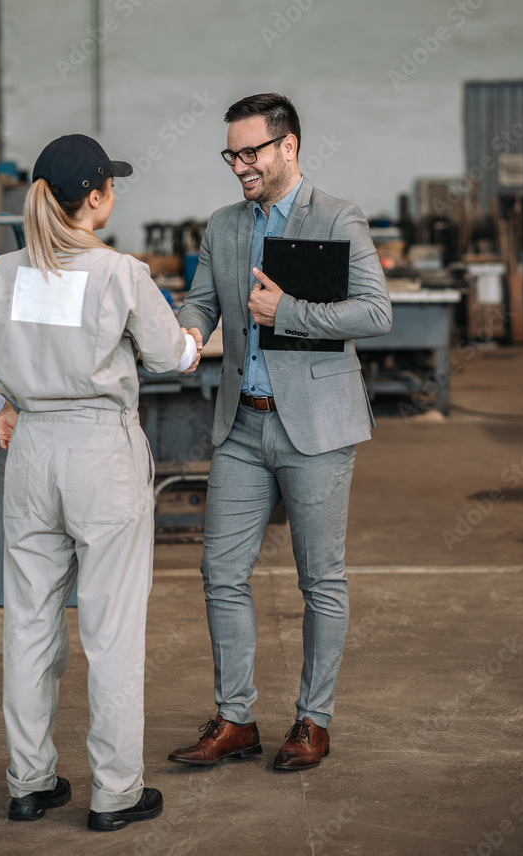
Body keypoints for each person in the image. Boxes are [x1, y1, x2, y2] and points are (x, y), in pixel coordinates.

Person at [0, 134, 201, 831]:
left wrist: (0, 409)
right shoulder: (120, 273)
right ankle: (115, 793)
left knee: (27, 625)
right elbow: (172, 357)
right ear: (95, 196)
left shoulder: (3, 273)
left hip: (30, 452)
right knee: (111, 631)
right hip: (99, 455)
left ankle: (30, 783)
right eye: (110, 184)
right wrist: (198, 340)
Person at [171, 93, 392, 771]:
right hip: (243, 425)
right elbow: (202, 300)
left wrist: (287, 311)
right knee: (220, 573)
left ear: (287, 147)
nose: (239, 165)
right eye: (231, 153)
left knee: (319, 579)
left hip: (317, 429)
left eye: (251, 152)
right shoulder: (224, 226)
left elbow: (375, 312)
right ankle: (236, 719)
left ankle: (312, 721)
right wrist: (183, 333)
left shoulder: (337, 217)